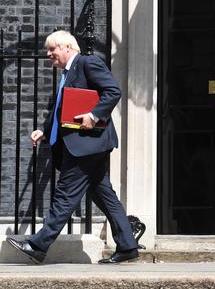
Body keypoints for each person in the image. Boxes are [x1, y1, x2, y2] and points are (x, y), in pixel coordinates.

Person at [6, 30, 138, 264]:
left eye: (52, 49)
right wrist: (46, 132)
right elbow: (62, 110)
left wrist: (94, 115)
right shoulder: (67, 74)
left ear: (66, 47)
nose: (48, 55)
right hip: (85, 145)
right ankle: (127, 245)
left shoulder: (87, 63)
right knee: (104, 195)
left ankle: (38, 245)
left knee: (66, 195)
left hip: (86, 144)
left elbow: (113, 90)